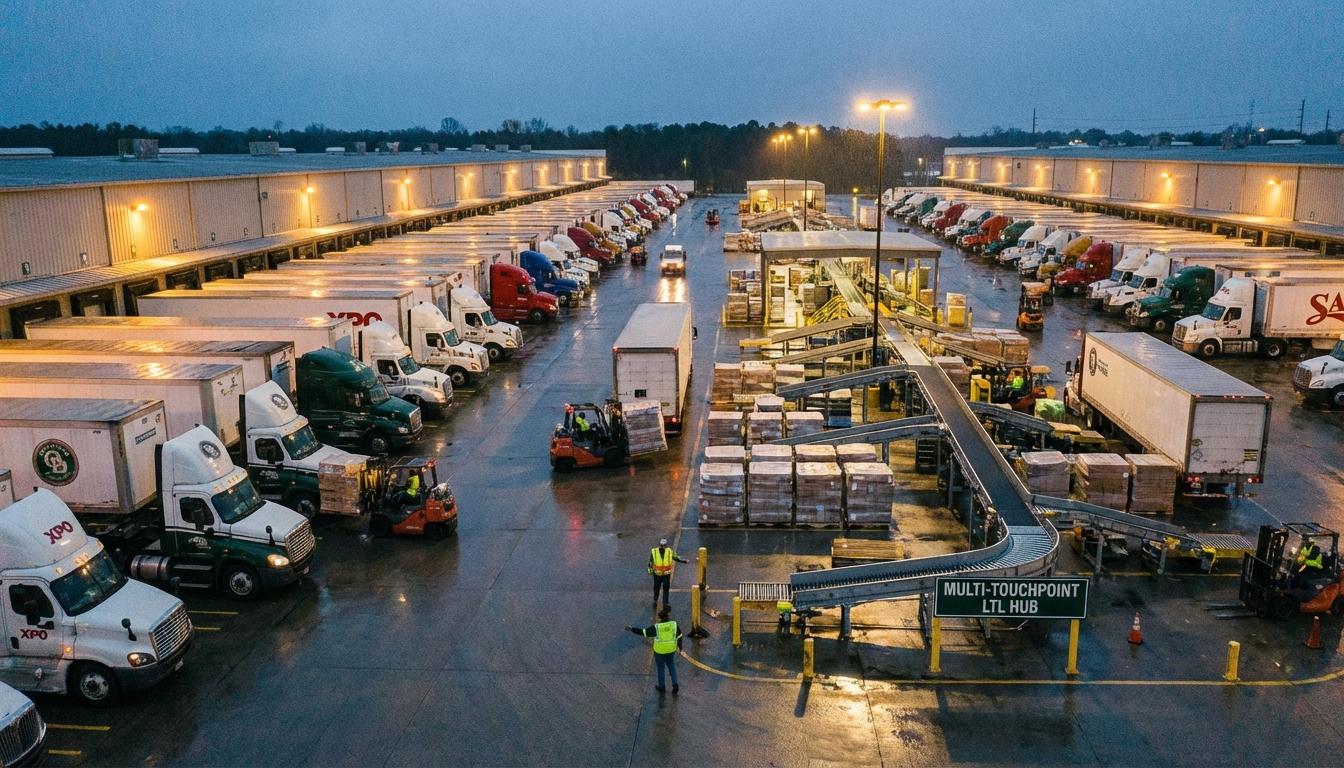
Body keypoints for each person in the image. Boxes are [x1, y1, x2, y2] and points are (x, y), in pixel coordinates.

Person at [628, 607, 682, 694]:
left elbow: (644, 632)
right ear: (668, 617)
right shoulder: (674, 624)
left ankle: (662, 686)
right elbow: (679, 636)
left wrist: (632, 629)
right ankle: (675, 684)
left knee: (661, 668)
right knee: (671, 666)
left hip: (659, 651)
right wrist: (680, 647)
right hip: (671, 649)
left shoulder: (657, 627)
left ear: (660, 618)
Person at [648, 538, 688, 609]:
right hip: (657, 574)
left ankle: (665, 602)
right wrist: (650, 569)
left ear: (666, 546)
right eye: (661, 545)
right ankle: (655, 600)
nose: (662, 547)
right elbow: (651, 561)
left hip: (666, 574)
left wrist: (683, 561)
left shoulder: (669, 551)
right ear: (659, 545)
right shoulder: (654, 551)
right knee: (656, 588)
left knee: (666, 589)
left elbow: (676, 558)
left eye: (663, 546)